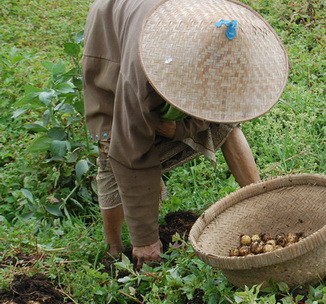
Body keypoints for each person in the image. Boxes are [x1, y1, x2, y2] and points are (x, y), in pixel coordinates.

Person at [82, 0, 289, 267]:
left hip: (164, 21)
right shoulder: (141, 75)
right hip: (111, 29)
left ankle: (258, 200)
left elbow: (216, 114)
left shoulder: (214, 28)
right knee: (110, 147)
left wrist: (179, 128)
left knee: (225, 123)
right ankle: (113, 251)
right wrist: (145, 240)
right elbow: (131, 153)